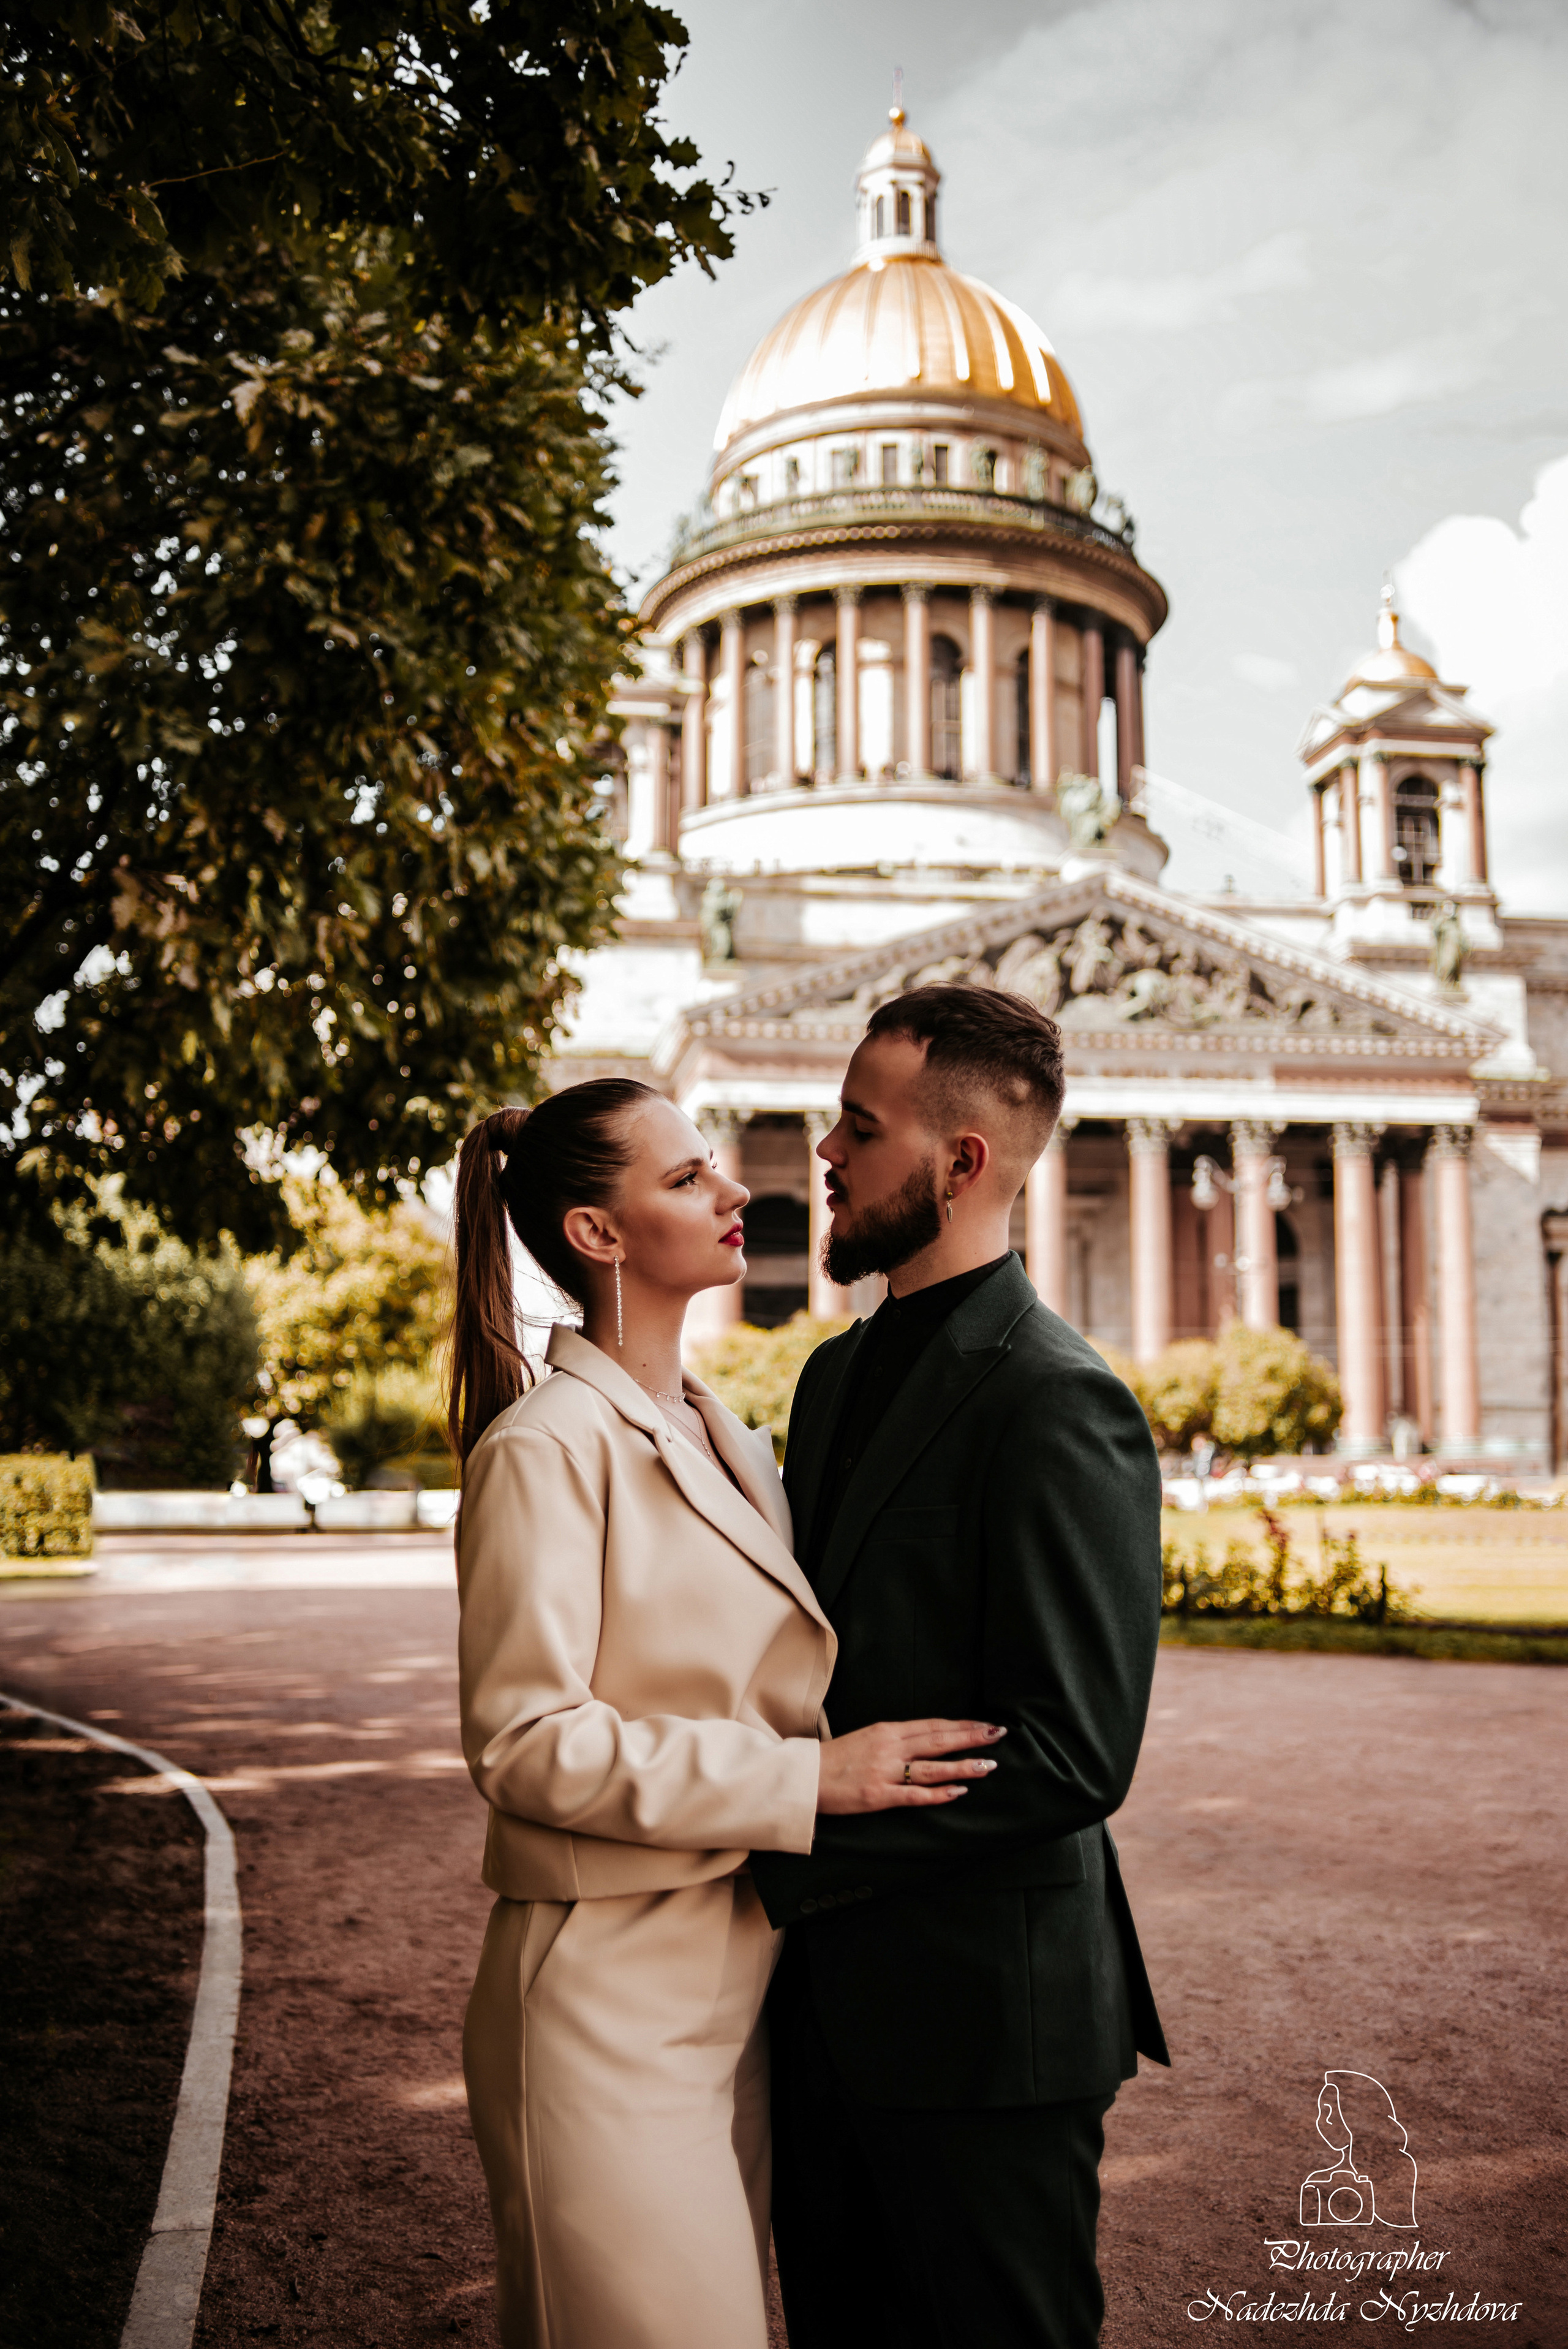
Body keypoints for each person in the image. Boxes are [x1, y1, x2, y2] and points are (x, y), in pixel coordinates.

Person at [448, 1078, 997, 2349]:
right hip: (598, 2007)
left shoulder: (736, 1444)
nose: (737, 1186)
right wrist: (807, 1781)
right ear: (596, 1234)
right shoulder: (542, 1447)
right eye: (689, 1176)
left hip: (743, 1998)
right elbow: (525, 1745)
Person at [749, 985, 1170, 2349]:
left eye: (856, 1129)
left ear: (959, 1162)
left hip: (988, 2031)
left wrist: (788, 1832)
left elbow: (1071, 1750)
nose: (822, 1152)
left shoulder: (1057, 1396)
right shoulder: (828, 1376)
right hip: (819, 2014)